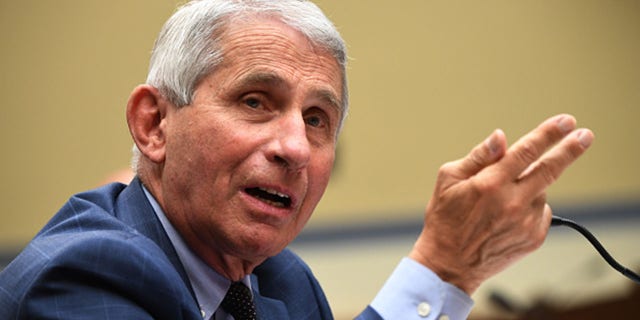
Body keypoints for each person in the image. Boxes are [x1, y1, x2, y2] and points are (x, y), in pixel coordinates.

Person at [0, 1, 594, 319]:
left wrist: (453, 276)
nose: (294, 148)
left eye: (317, 119)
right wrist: (438, 270)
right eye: (255, 102)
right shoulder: (85, 274)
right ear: (154, 124)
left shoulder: (281, 284)